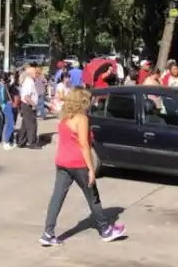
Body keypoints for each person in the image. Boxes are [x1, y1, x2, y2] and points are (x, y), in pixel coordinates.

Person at [39, 88, 126, 246]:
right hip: (78, 163)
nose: (91, 103)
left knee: (57, 198)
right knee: (93, 197)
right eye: (88, 100)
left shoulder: (65, 117)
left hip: (62, 161)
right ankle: (105, 230)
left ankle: (47, 233)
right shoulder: (82, 118)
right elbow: (84, 145)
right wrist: (91, 169)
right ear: (83, 102)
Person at [17, 67, 40, 149]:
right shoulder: (29, 82)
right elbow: (26, 96)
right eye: (34, 72)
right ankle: (32, 143)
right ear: (30, 73)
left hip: (27, 105)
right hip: (28, 105)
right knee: (32, 124)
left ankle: (21, 142)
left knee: (25, 124)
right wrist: (34, 104)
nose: (36, 73)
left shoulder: (30, 81)